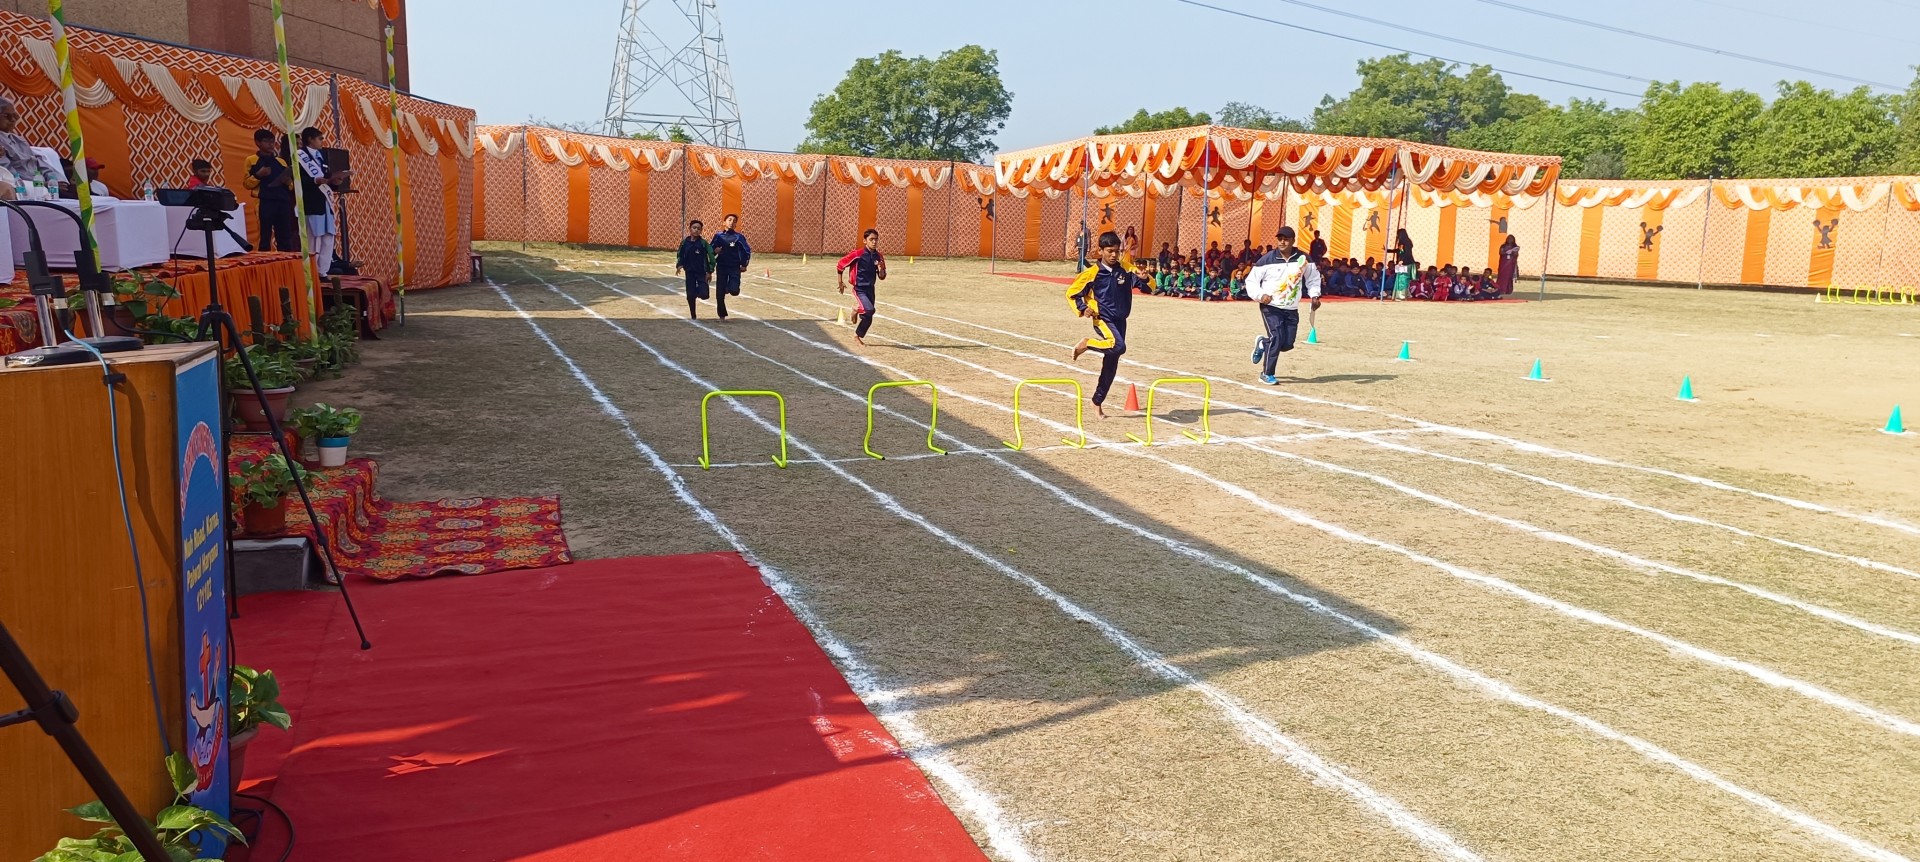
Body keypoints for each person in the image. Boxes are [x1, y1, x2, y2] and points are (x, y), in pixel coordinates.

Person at [1066, 231, 1142, 418]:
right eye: (1110, 251)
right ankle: (1087, 343)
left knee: (1112, 363)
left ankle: (1097, 401)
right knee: (1118, 346)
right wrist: (1084, 308)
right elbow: (1072, 294)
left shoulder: (1125, 269)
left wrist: (1146, 277)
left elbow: (1148, 286)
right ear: (1100, 251)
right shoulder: (1092, 274)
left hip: (1121, 320)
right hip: (1103, 319)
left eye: (1117, 251)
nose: (1114, 255)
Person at [1246, 226, 1321, 386]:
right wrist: (1261, 295)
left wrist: (1315, 295)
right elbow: (1251, 281)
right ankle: (1267, 373)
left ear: (1293, 241)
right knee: (1277, 337)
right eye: (1279, 239)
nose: (1282, 242)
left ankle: (1263, 343)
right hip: (1271, 306)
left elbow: (1313, 278)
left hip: (1291, 308)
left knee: (1286, 344)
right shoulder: (1266, 260)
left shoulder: (1304, 259)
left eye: (1286, 239)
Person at [296, 126, 349, 272]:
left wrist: (335, 182)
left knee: (328, 237)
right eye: (320, 139)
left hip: (326, 202)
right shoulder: (299, 156)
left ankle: (323, 271)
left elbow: (327, 177)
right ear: (310, 139)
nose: (322, 141)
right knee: (314, 238)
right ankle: (311, 271)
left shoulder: (323, 156)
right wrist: (314, 180)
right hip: (312, 203)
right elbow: (297, 180)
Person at [244, 129, 298, 252]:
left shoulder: (281, 161)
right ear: (257, 142)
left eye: (272, 141)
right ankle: (264, 260)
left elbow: (291, 186)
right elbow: (247, 184)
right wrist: (258, 175)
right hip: (264, 201)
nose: (270, 144)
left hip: (283, 201)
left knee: (285, 235)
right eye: (266, 141)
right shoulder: (251, 160)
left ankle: (285, 259)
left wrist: (288, 182)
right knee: (264, 236)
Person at [0, 95, 57, 200]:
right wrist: (40, 183)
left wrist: (53, 179)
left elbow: (37, 161)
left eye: (15, 116)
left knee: (75, 190)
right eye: (7, 116)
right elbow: (7, 172)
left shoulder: (19, 139)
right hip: (24, 186)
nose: (13, 120)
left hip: (42, 183)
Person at [837, 228, 888, 345]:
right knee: (869, 309)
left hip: (870, 289)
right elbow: (840, 265)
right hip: (859, 288)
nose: (874, 242)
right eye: (871, 239)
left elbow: (882, 277)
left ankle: (857, 336)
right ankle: (856, 309)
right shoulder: (857, 254)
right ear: (865, 241)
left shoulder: (879, 257)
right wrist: (840, 282)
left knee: (868, 316)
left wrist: (881, 269)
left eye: (876, 239)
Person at [710, 213, 750, 320]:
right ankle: (722, 315)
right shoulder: (718, 236)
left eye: (734, 221)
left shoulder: (739, 237)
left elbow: (746, 251)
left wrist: (744, 264)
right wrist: (715, 251)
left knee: (734, 290)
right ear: (724, 222)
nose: (732, 222)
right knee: (719, 291)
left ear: (736, 224)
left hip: (734, 266)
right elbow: (710, 250)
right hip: (721, 266)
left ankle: (728, 288)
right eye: (729, 220)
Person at [674, 218, 713, 319]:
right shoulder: (684, 242)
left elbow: (711, 256)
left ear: (701, 231)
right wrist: (679, 265)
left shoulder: (703, 243)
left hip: (701, 272)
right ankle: (693, 315)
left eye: (698, 228)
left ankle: (695, 292)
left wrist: (709, 271)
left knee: (704, 294)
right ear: (690, 229)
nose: (696, 230)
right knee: (690, 296)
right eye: (694, 228)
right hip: (689, 272)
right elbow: (680, 254)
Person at [1391, 229, 1416, 301]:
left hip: (1405, 263)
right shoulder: (1408, 241)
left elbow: (1404, 252)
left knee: (1402, 279)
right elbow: (1400, 250)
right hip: (1408, 263)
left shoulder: (1403, 242)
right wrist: (1388, 250)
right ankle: (1403, 295)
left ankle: (1401, 296)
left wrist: (1401, 260)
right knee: (1403, 279)